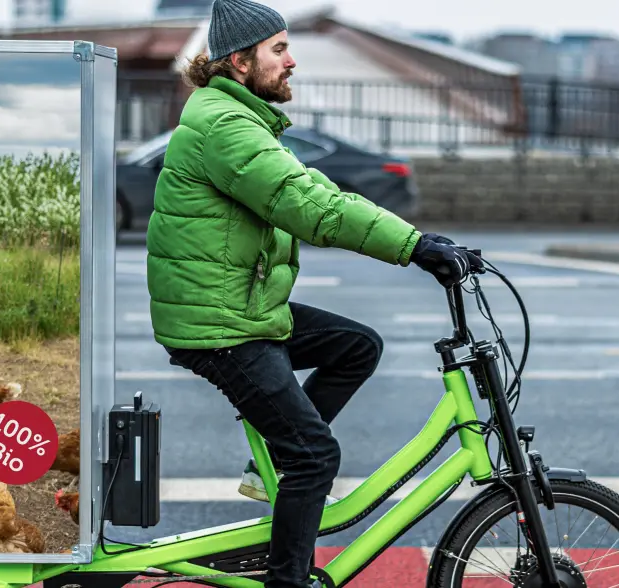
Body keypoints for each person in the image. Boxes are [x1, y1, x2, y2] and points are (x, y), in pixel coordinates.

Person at [144, 1, 484, 586]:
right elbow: (308, 208)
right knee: (316, 455)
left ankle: (268, 463)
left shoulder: (239, 118)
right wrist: (412, 248)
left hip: (239, 306)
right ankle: (288, 580)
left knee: (356, 346)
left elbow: (315, 189)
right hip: (220, 325)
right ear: (240, 62)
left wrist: (420, 238)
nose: (291, 60)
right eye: (279, 50)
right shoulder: (225, 127)